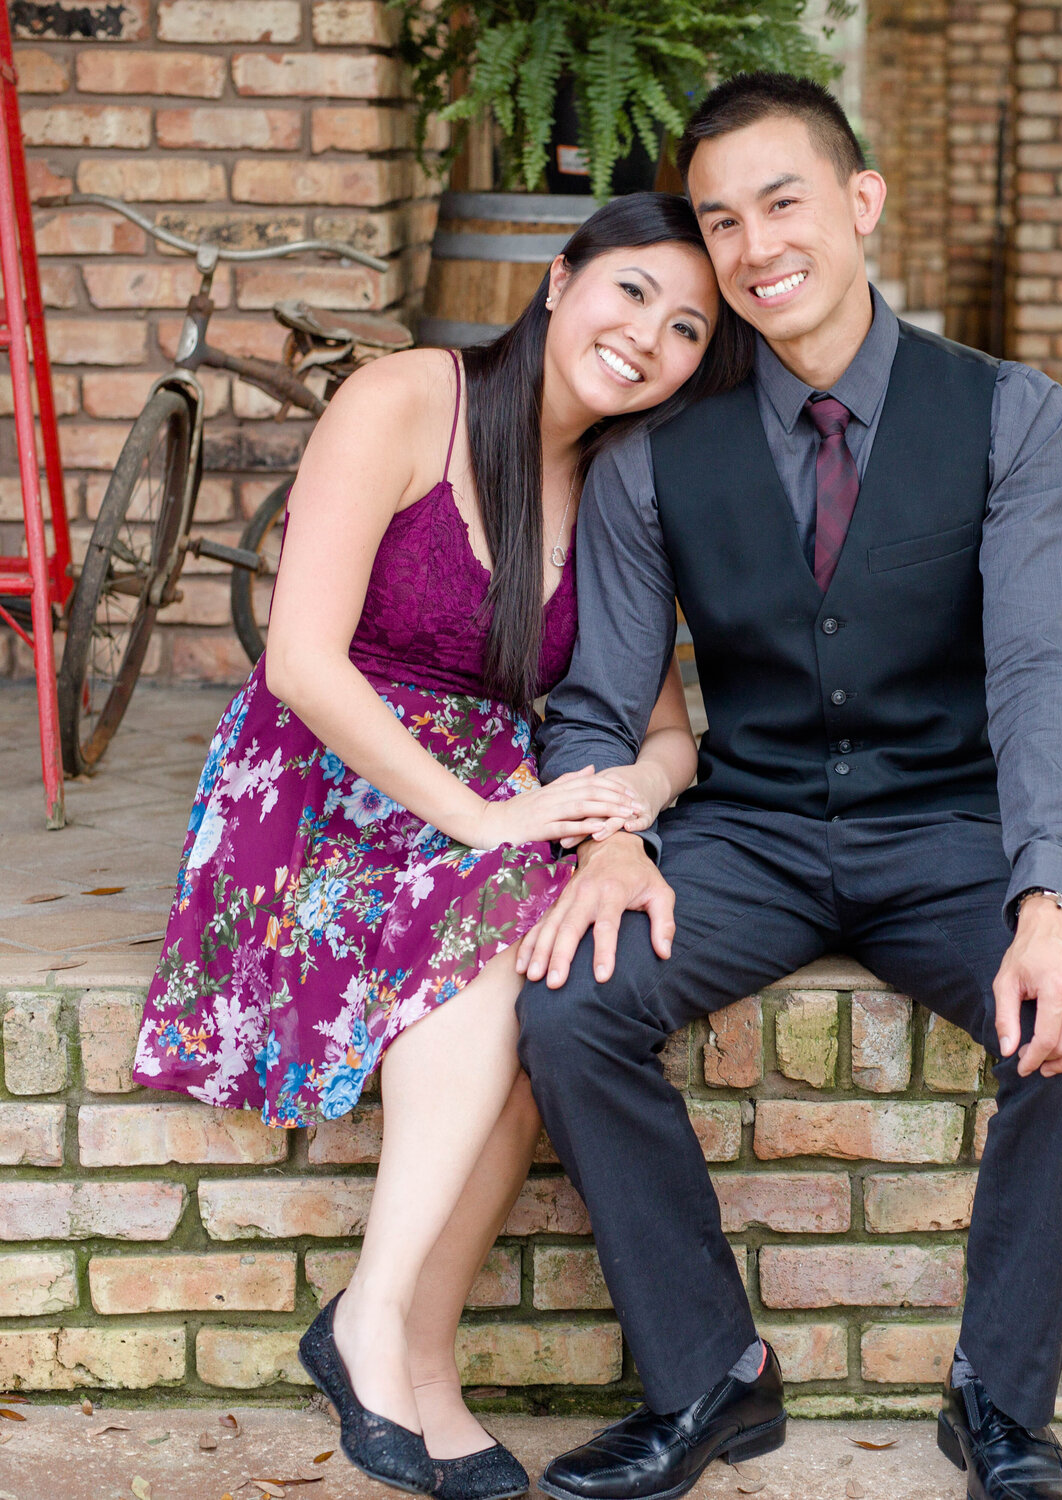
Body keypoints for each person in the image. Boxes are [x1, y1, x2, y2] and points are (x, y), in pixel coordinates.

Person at [515, 74, 1062, 1500]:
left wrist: (1052, 897)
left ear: (859, 204)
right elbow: (605, 698)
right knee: (567, 1009)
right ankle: (710, 1380)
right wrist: (606, 843)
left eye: (781, 201)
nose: (751, 246)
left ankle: (999, 1407)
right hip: (752, 826)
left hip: (950, 828)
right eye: (721, 219)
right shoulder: (653, 455)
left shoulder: (1010, 416)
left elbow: (1047, 671)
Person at [131, 192, 751, 1499]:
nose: (650, 336)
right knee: (494, 945)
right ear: (563, 273)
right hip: (319, 771)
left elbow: (668, 732)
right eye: (633, 290)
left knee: (549, 990)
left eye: (689, 327)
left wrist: (619, 798)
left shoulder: (623, 490)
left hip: (495, 783)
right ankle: (376, 1330)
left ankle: (404, 1347)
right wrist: (484, 817)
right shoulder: (413, 397)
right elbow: (301, 660)